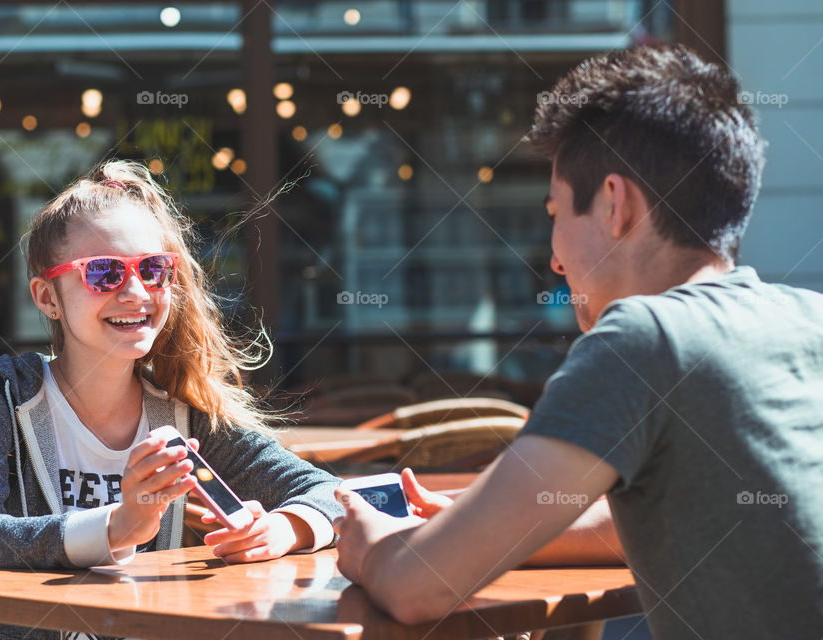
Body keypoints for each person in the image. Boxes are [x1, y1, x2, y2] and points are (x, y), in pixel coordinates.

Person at [333, 44, 823, 640]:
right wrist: (479, 524)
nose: (554, 258)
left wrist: (373, 544)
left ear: (616, 204)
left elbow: (417, 586)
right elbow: (668, 516)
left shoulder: (644, 339)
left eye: (556, 211)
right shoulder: (807, 319)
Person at [0, 161, 343, 640]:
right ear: (47, 296)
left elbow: (335, 496)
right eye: (104, 273)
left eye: (154, 270)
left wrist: (283, 530)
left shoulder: (186, 418)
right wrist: (117, 526)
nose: (136, 293)